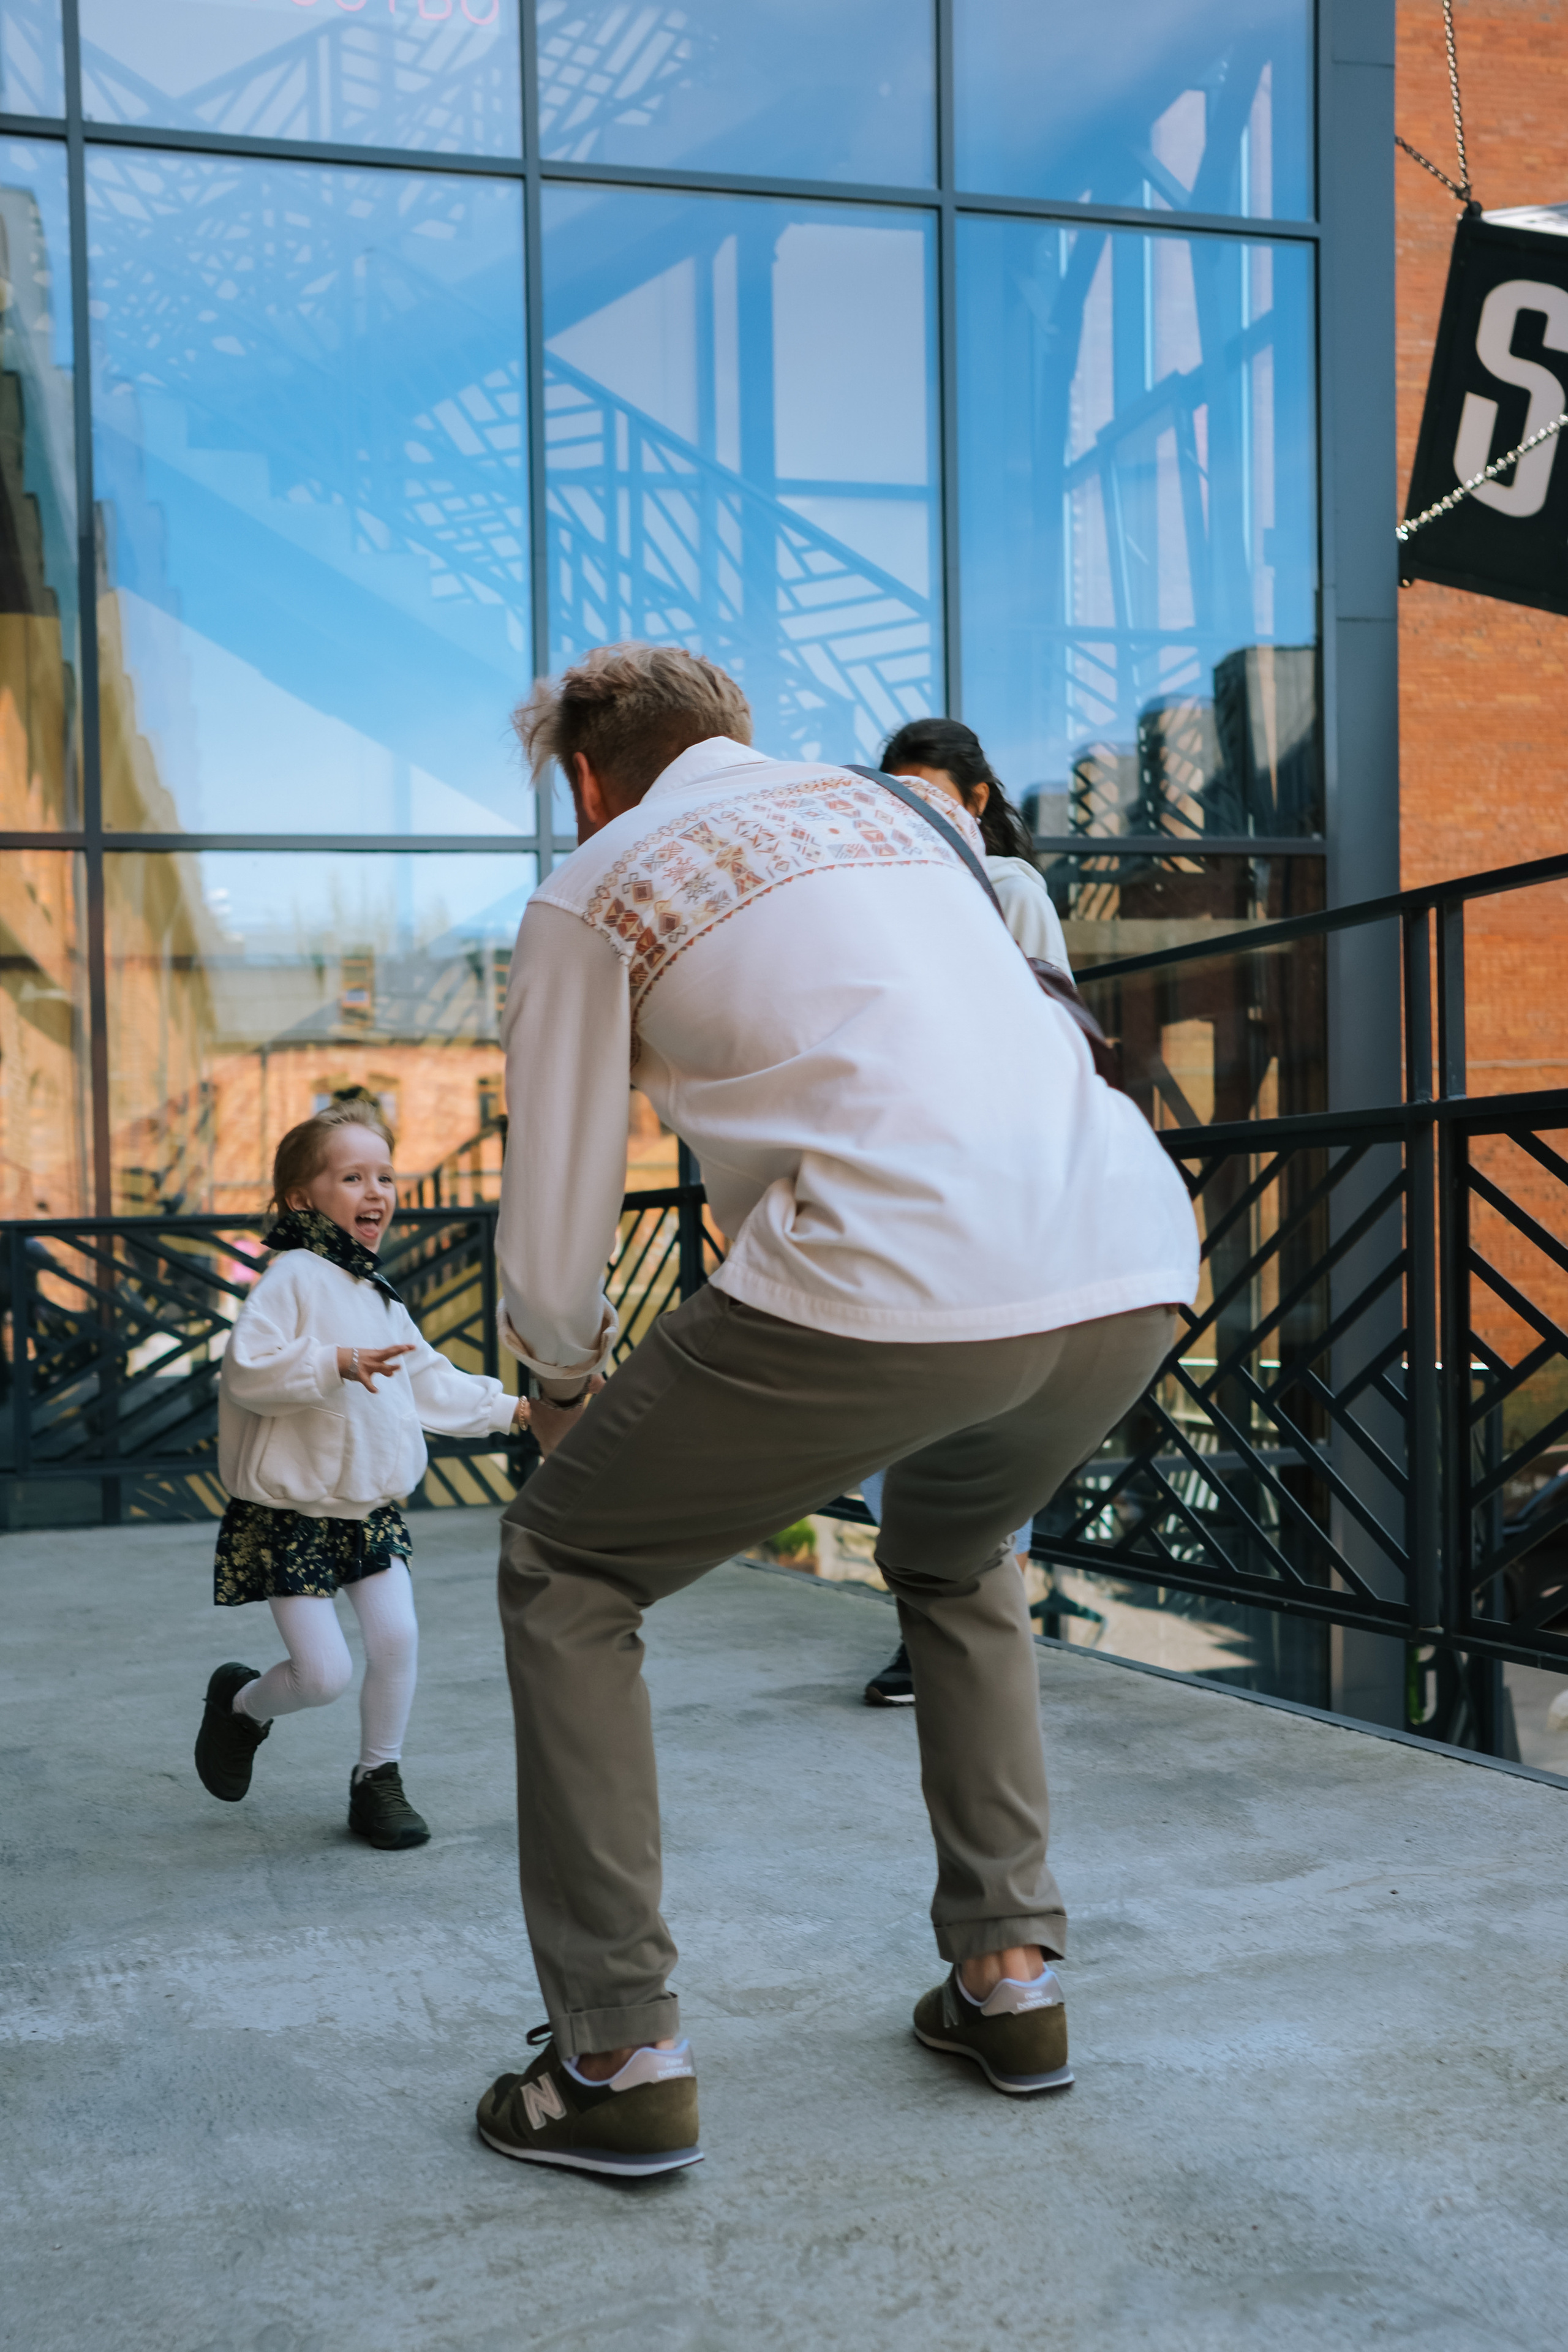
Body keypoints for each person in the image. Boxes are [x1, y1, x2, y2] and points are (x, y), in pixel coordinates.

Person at [477, 643, 1197, 2179]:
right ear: (732, 734)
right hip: (1131, 1251)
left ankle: (614, 2053)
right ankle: (1011, 1981)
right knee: (952, 1557)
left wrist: (560, 1382)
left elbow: (555, 1206)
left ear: (587, 775)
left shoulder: (597, 877)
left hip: (892, 1268)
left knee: (565, 1564)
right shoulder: (903, 823)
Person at [193, 1101, 528, 1850]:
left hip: (368, 1509)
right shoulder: (293, 1276)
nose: (376, 1191)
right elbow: (248, 1370)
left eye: (385, 1175)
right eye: (353, 1176)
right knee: (320, 1676)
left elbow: (428, 1381)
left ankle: (378, 1778)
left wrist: (520, 1412)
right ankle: (241, 1707)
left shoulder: (375, 1291)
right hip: (292, 1511)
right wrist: (333, 1363)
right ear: (303, 1199)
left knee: (398, 1639)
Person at [861, 715, 1068, 1706]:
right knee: (895, 1423)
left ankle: (975, 1632)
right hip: (901, 1182)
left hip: (988, 1183)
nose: (918, 812)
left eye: (934, 794)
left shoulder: (1011, 889)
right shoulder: (885, 901)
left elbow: (1049, 1035)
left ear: (978, 800)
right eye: (898, 795)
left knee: (982, 1415)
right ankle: (935, 1621)